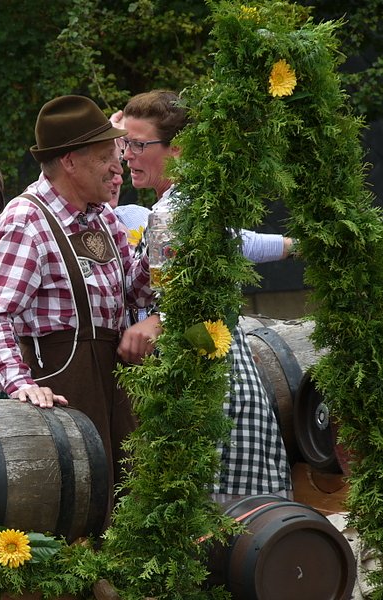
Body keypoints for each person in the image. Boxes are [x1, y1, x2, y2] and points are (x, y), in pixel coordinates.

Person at [0, 95, 154, 516]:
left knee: (125, 503)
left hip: (115, 384)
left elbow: (134, 293)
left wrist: (163, 255)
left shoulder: (102, 218)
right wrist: (20, 384)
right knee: (77, 512)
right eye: (107, 156)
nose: (118, 165)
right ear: (70, 161)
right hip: (62, 389)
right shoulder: (25, 218)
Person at [116, 90, 292, 501]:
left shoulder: (171, 213)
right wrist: (294, 244)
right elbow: (239, 243)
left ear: (176, 149)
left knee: (219, 516)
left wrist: (157, 320)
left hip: (207, 379)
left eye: (138, 145)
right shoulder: (193, 203)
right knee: (249, 512)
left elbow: (187, 303)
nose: (127, 155)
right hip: (227, 368)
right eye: (126, 144)